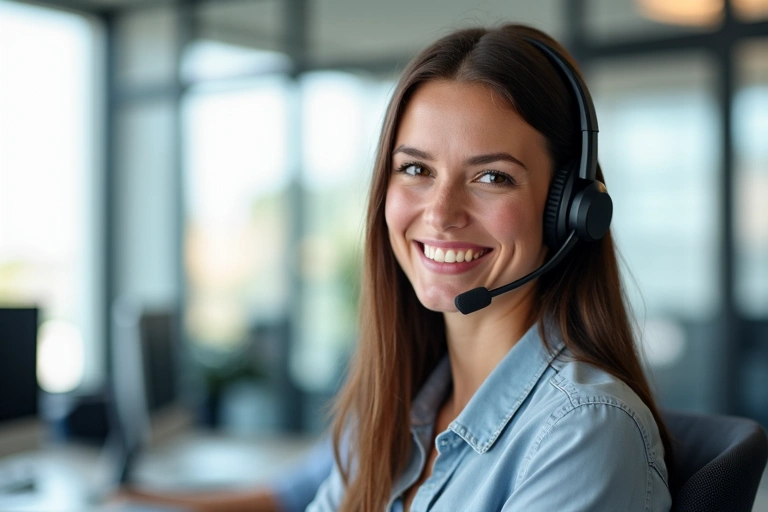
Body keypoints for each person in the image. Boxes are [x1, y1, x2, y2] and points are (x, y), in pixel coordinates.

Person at [306, 23, 673, 512]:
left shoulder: (582, 431)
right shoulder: (392, 413)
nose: (440, 214)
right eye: (416, 169)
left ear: (566, 211)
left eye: (492, 177)